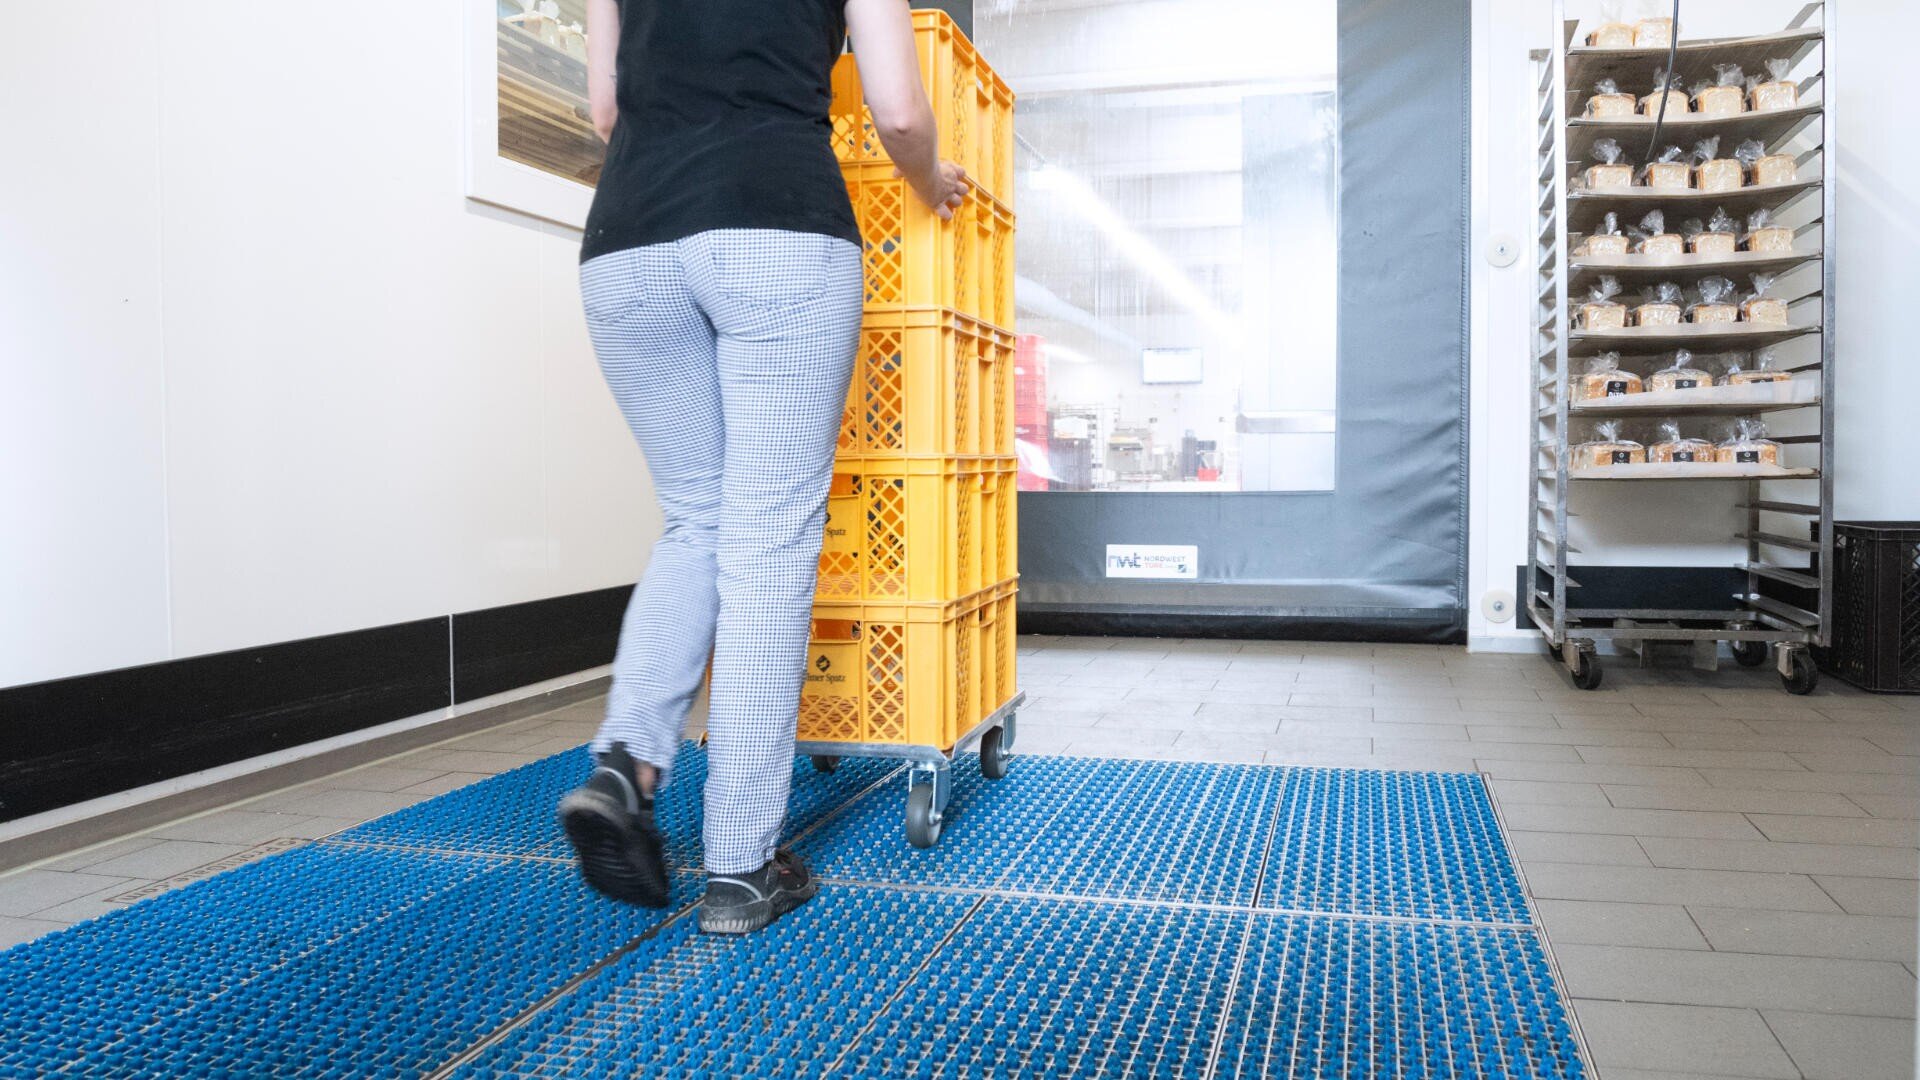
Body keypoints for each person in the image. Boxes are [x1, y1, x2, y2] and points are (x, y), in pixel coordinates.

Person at [555, 0, 970, 935]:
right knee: (768, 545)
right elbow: (898, 110)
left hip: (627, 244)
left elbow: (607, 112)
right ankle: (740, 869)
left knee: (693, 519)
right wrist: (928, 175)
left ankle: (628, 762)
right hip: (774, 227)